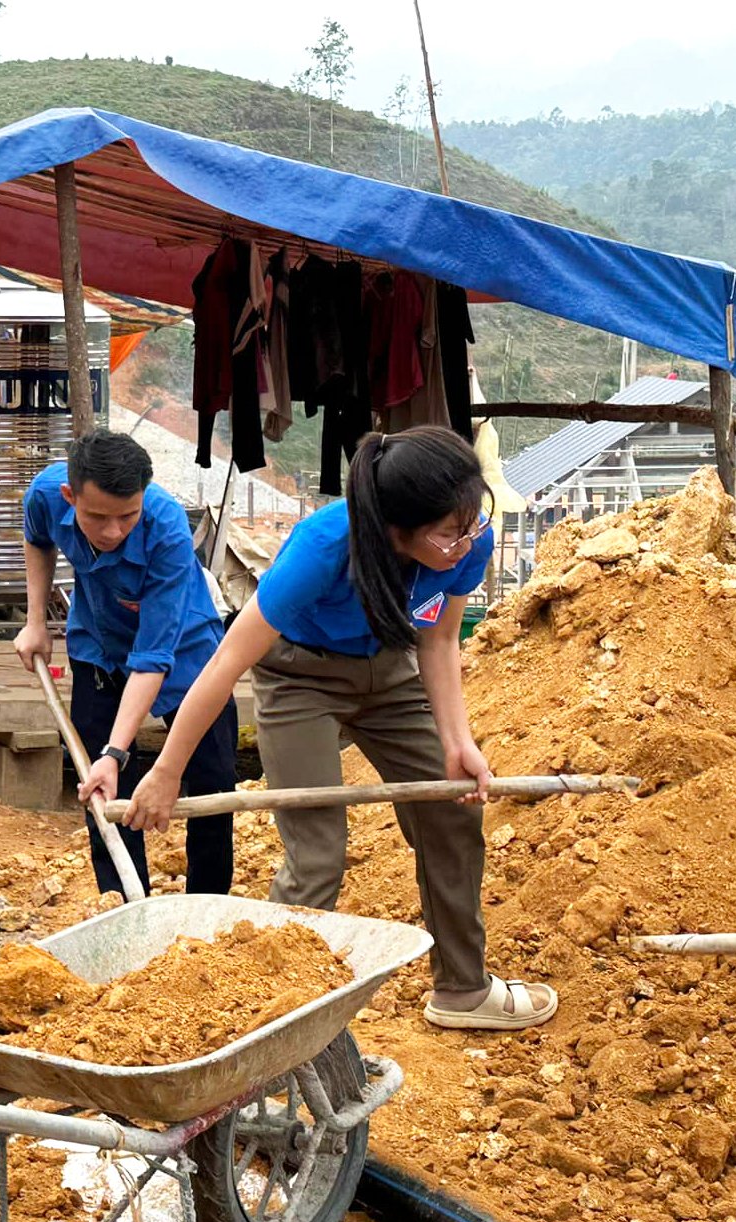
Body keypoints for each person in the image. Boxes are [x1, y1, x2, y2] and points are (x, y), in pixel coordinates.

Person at [125, 426, 557, 1031]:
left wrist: (460, 745)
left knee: (453, 811)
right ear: (394, 529)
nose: (466, 541)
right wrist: (166, 772)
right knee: (319, 851)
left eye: (472, 524)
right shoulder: (323, 549)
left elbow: (437, 641)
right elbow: (227, 662)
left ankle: (462, 988)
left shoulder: (466, 539)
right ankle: (269, 1016)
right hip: (301, 679)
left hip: (392, 671)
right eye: (450, 532)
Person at [14, 430, 237, 897]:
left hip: (185, 650)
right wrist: (36, 621)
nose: (114, 531)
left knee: (213, 788)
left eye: (127, 516)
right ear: (70, 496)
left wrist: (116, 751)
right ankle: (124, 904)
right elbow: (38, 540)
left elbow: (154, 657)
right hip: (98, 643)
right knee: (100, 790)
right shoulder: (44, 495)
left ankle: (206, 908)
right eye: (98, 517)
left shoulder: (167, 529)